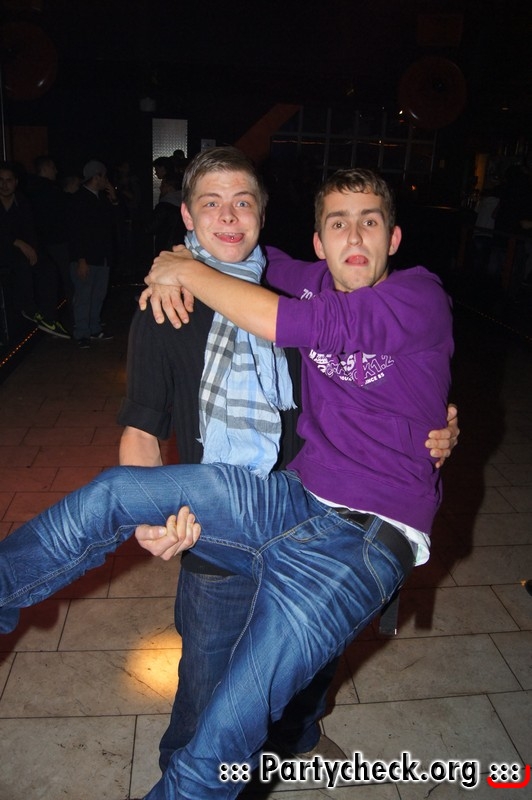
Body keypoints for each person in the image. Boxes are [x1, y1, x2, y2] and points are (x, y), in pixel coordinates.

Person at [0, 167, 454, 797]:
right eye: (338, 223)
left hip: (366, 539)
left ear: (393, 237)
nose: (354, 235)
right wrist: (176, 264)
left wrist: (185, 268)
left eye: (369, 222)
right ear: (318, 243)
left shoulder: (416, 294)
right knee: (112, 495)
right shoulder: (274, 284)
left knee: (219, 743)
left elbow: (293, 324)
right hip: (289, 500)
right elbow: (144, 420)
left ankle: (284, 744)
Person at [118, 147, 458, 775]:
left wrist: (439, 421)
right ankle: (186, 770)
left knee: (311, 660)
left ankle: (298, 740)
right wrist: (148, 509)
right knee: (209, 680)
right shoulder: (169, 308)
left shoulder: (296, 293)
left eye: (242, 202)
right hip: (223, 522)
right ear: (187, 217)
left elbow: (341, 350)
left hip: (314, 513)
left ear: (262, 215)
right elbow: (141, 427)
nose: (229, 216)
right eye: (211, 204)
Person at [0, 160, 69, 339]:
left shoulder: (21, 201)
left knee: (48, 268)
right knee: (21, 264)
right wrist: (18, 242)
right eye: (1, 180)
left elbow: (30, 229)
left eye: (8, 180)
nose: (4, 185)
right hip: (5, 251)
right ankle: (29, 309)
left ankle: (48, 317)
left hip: (19, 250)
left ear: (16, 182)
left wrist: (32, 249)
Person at [68, 159, 118, 348]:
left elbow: (115, 223)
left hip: (102, 255)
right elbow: (75, 232)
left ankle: (94, 327)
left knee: (98, 294)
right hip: (86, 257)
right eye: (104, 176)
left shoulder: (102, 199)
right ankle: (82, 332)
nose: (106, 180)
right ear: (97, 176)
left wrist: (114, 199)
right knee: (83, 296)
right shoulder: (78, 199)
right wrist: (81, 259)